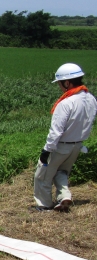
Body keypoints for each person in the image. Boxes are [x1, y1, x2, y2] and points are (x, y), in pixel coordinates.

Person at [34, 63, 97, 212]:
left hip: (61, 145)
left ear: (67, 83)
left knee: (42, 175)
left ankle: (44, 205)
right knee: (61, 172)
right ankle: (64, 196)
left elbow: (56, 131)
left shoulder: (66, 103)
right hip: (77, 145)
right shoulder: (91, 99)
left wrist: (46, 150)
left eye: (60, 84)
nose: (60, 87)